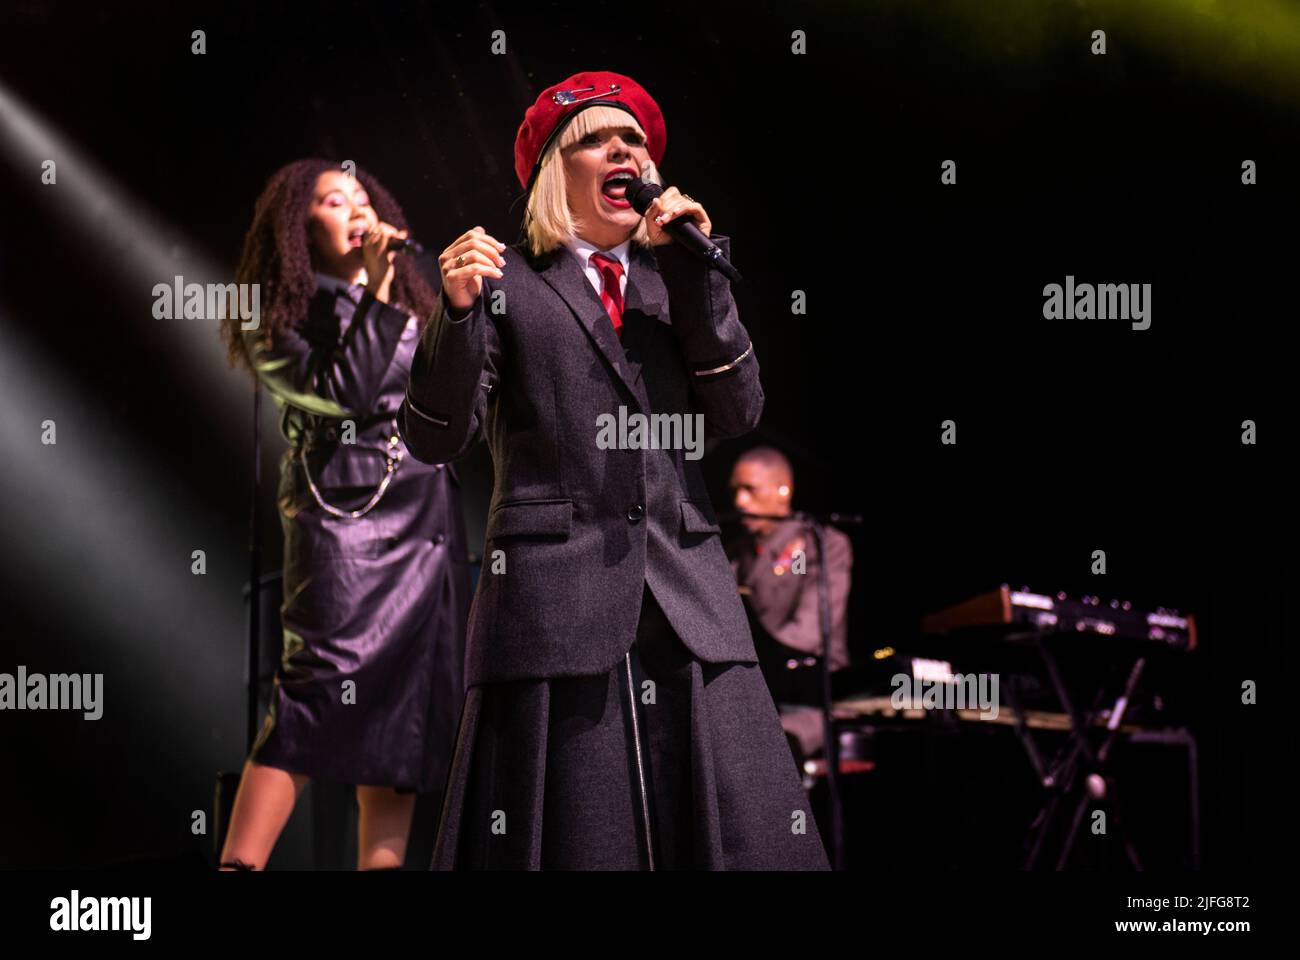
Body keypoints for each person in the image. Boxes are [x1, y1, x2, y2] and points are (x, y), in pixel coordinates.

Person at [402, 71, 829, 869]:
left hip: (687, 594)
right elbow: (435, 437)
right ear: (552, 172)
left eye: (635, 139)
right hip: (553, 605)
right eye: (600, 138)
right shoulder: (510, 285)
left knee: (748, 839)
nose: (625, 149)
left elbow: (738, 412)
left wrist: (701, 275)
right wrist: (455, 315)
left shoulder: (676, 284)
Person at [216, 158, 470, 870]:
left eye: (362, 196)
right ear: (300, 228)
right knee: (310, 698)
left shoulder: (414, 305)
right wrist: (381, 291)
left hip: (425, 528)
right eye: (333, 199)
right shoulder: (279, 318)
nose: (355, 208)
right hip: (345, 533)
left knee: (403, 725)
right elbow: (348, 391)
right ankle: (240, 865)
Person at [727, 446, 853, 764]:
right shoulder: (736, 556)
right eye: (736, 491)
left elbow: (809, 635)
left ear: (783, 489)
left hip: (814, 698)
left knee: (763, 747)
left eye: (750, 490)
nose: (740, 502)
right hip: (757, 693)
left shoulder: (821, 544)